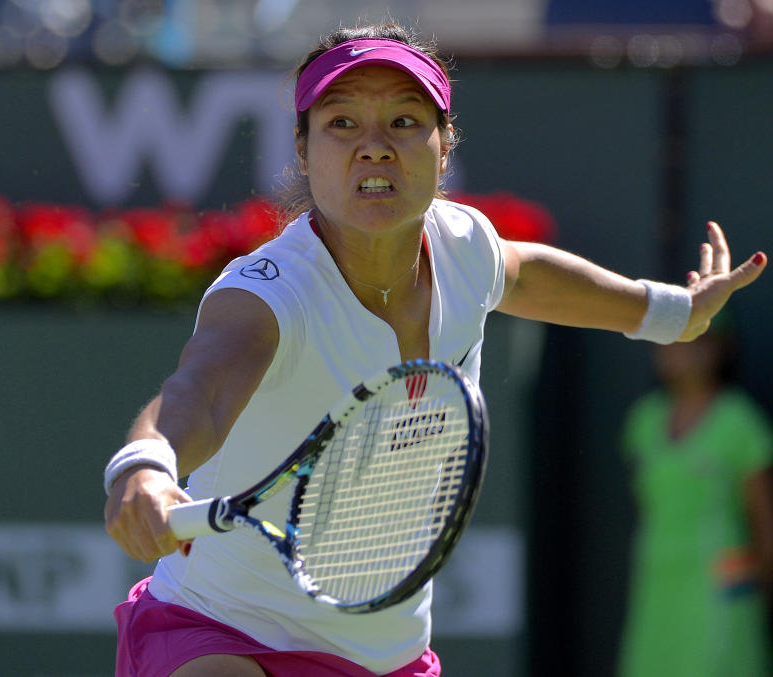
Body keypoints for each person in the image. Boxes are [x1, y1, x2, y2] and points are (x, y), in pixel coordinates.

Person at [102, 22, 767, 677]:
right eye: (341, 123)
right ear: (302, 151)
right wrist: (147, 465)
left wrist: (672, 313)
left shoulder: (464, 246)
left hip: (384, 655)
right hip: (219, 630)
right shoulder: (266, 293)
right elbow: (202, 391)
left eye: (403, 121)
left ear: (445, 146)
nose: (375, 147)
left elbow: (526, 273)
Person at [618, 312, 773, 677]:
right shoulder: (643, 421)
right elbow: (646, 507)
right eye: (670, 341)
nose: (678, 351)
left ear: (719, 349)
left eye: (694, 340)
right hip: (656, 578)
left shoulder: (740, 421)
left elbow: (765, 522)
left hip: (723, 585)